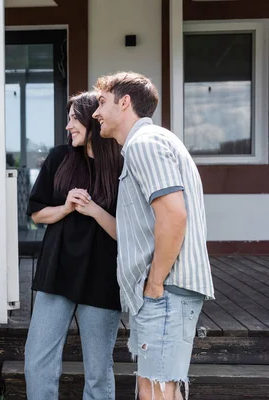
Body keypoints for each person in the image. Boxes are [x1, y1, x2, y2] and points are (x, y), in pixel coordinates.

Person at [92, 71, 215, 400]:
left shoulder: (144, 144)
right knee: (155, 389)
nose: (95, 112)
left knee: (156, 392)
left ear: (125, 102)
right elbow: (141, 228)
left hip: (167, 291)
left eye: (102, 102)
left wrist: (155, 282)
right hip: (165, 292)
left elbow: (174, 216)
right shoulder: (149, 143)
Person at [24, 92, 124, 400]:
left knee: (98, 370)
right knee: (37, 360)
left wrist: (93, 209)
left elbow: (127, 233)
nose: (68, 126)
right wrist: (67, 207)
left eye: (73, 119)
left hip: (103, 275)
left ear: (95, 119)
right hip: (58, 270)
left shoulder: (123, 164)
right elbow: (38, 213)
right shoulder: (59, 157)